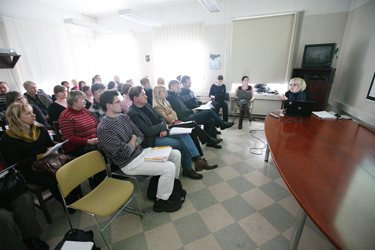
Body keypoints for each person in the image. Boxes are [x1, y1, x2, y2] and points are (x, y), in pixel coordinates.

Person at [97, 90, 182, 212]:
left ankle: (171, 186)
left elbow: (140, 134)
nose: (122, 104)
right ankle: (160, 201)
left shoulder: (123, 117)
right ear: (109, 106)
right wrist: (133, 140)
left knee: (175, 154)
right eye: (118, 102)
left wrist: (133, 142)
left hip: (140, 152)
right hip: (128, 163)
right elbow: (125, 153)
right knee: (168, 167)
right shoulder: (104, 129)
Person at [127, 86, 217, 178]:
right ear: (135, 98)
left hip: (162, 132)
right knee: (183, 144)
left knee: (185, 133)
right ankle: (190, 168)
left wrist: (164, 129)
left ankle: (198, 161)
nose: (146, 96)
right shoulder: (132, 113)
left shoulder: (147, 105)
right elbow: (147, 131)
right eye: (143, 95)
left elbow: (160, 117)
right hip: (154, 139)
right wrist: (163, 126)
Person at [0, 103, 63, 204]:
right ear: (16, 118)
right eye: (28, 113)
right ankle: (65, 201)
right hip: (27, 168)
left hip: (46, 160)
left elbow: (50, 144)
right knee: (53, 179)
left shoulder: (40, 128)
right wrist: (40, 156)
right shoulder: (7, 138)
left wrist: (52, 150)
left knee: (69, 168)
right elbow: (15, 163)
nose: (34, 115)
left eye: (32, 112)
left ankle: (73, 195)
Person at [153, 85, 222, 151]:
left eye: (165, 91)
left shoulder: (166, 102)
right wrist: (173, 116)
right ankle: (217, 129)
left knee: (210, 120)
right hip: (174, 123)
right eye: (164, 92)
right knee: (207, 113)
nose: (166, 93)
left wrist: (173, 116)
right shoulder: (158, 106)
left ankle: (210, 141)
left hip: (178, 120)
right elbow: (169, 118)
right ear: (158, 94)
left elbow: (174, 113)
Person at [167, 80, 234, 139]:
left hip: (188, 114)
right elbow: (178, 113)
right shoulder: (171, 98)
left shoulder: (175, 95)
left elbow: (185, 106)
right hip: (184, 118)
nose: (179, 88)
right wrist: (192, 111)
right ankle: (222, 124)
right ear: (171, 86)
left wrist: (199, 105)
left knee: (211, 120)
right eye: (177, 86)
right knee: (209, 111)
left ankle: (211, 141)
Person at [58, 91, 98, 157]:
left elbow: (97, 126)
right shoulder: (65, 116)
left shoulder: (86, 111)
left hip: (94, 141)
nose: (85, 101)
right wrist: (88, 141)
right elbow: (70, 138)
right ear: (73, 101)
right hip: (78, 147)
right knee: (107, 149)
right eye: (82, 99)